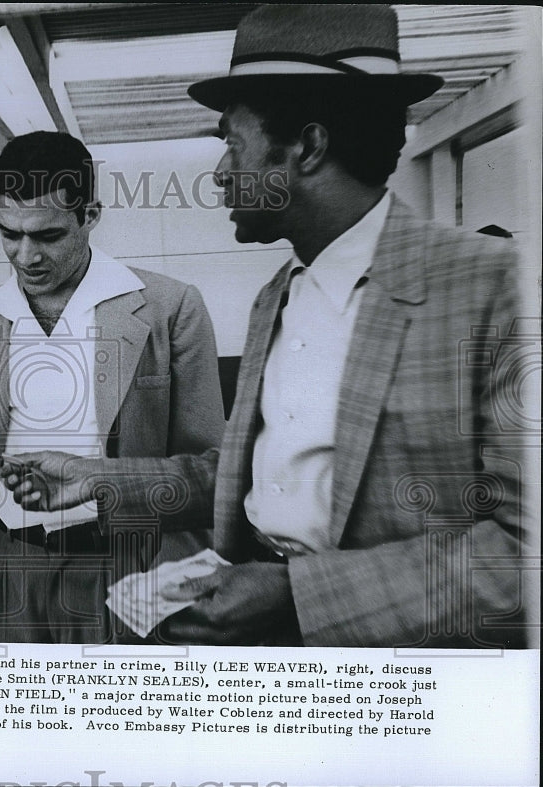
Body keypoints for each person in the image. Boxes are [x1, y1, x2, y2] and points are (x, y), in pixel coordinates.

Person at [156, 4, 529, 647]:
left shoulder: (497, 286)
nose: (220, 173)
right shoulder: (275, 296)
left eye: (231, 143)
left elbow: (524, 548)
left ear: (306, 147)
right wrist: (90, 479)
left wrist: (297, 597)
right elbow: (245, 476)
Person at [0, 131, 224, 643]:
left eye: (48, 236)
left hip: (129, 565)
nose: (25, 255)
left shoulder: (170, 308)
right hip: (7, 566)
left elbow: (210, 466)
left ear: (91, 215)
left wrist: (176, 582)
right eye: (8, 233)